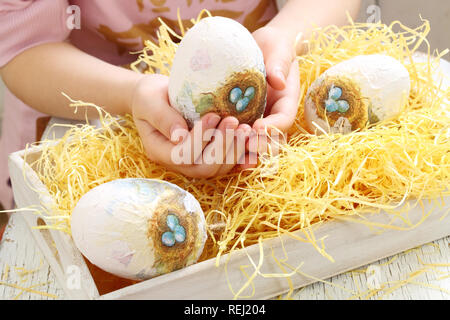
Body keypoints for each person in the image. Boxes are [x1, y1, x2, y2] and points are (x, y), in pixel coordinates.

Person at [0, 0, 361, 211]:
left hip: (266, 142)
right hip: (80, 134)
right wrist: (131, 94)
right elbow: (20, 41)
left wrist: (284, 37)